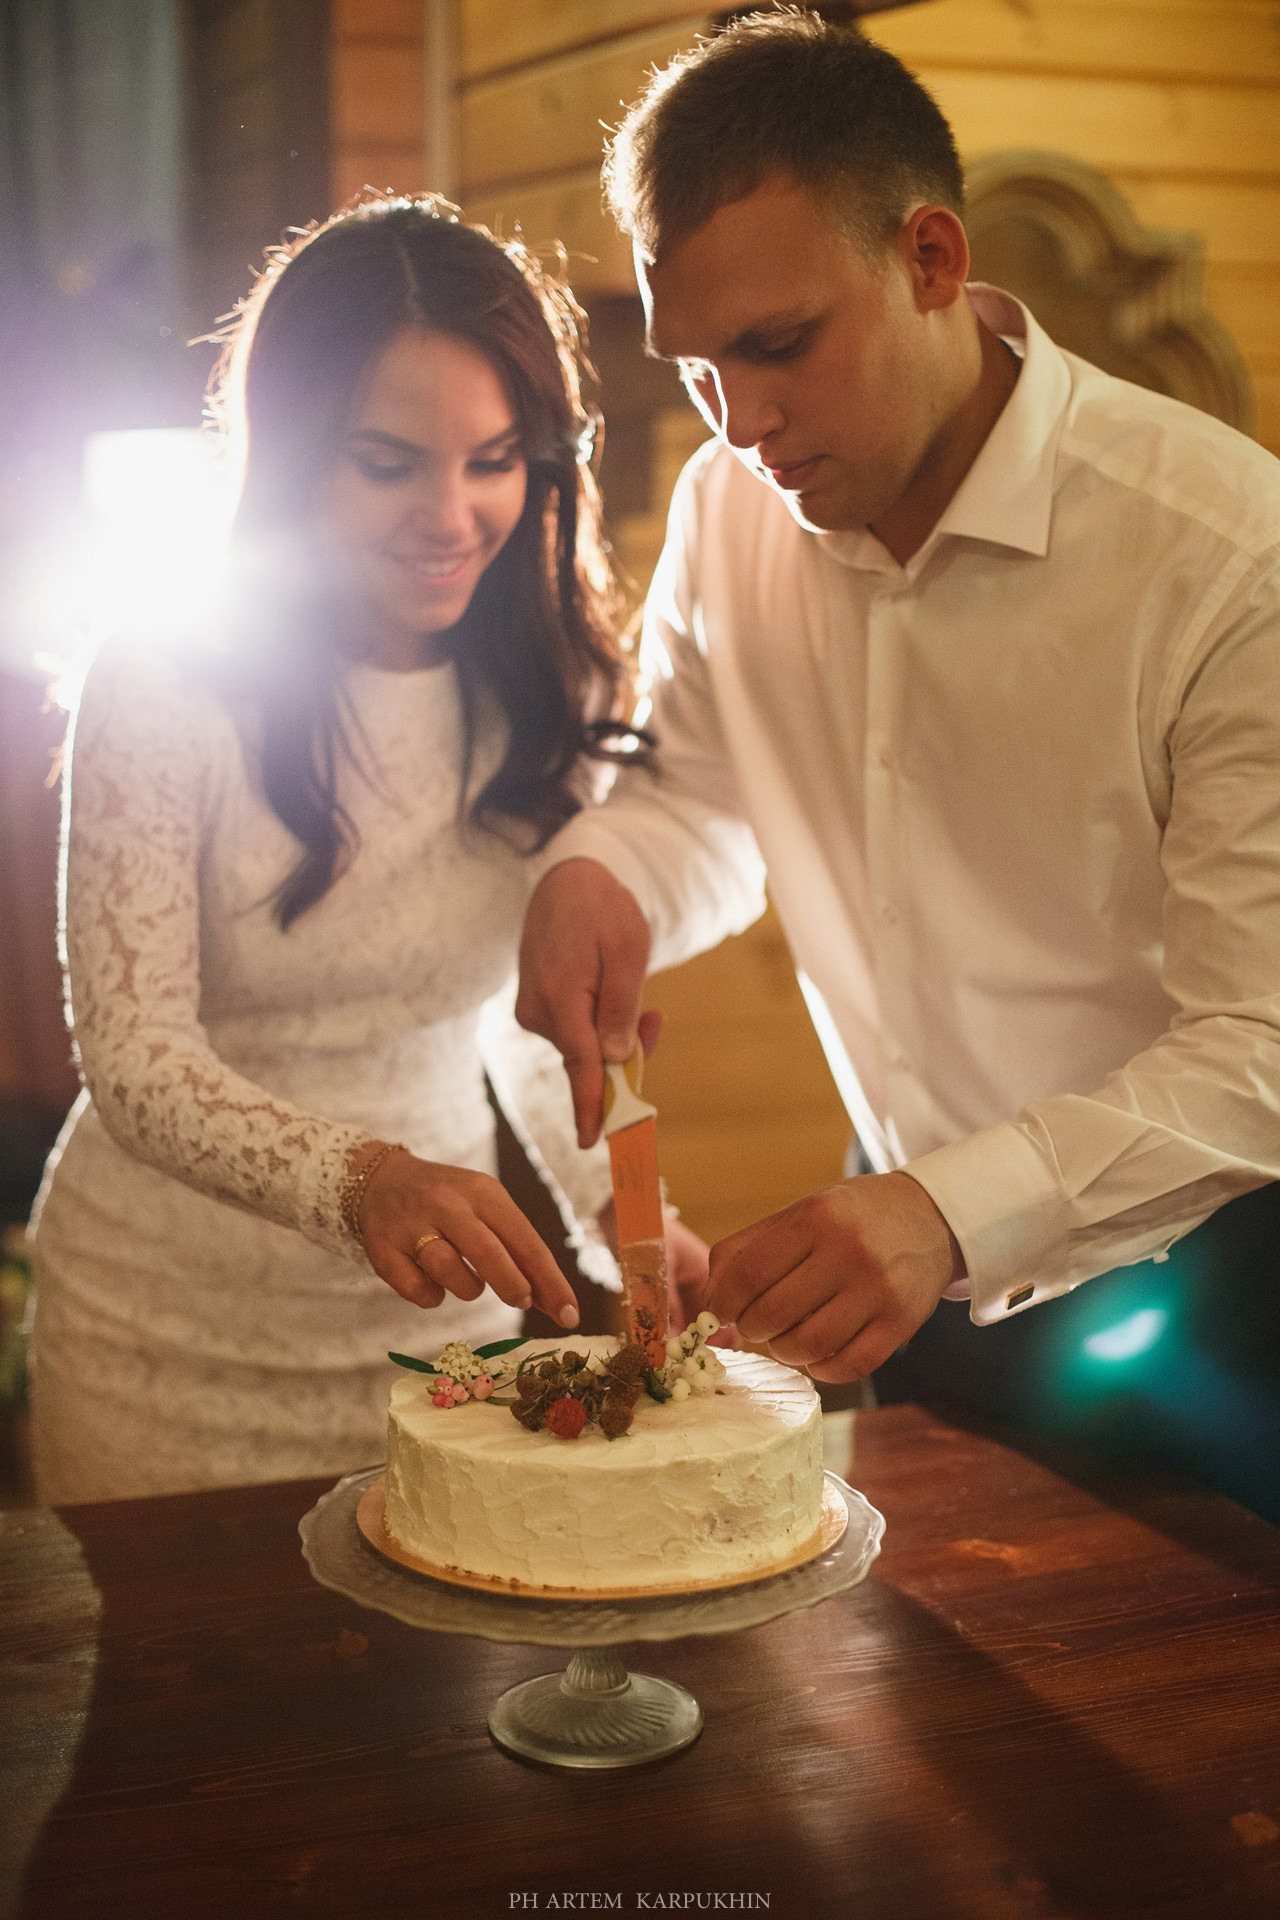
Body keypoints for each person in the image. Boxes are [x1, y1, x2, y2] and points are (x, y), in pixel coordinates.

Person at [515, 17, 1280, 1399]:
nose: (736, 425)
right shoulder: (722, 509)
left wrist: (950, 1214)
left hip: (1221, 1287)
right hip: (906, 1258)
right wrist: (604, 868)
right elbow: (698, 794)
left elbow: (1261, 1047)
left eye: (777, 345)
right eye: (695, 368)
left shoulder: (1230, 559)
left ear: (933, 258)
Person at [28, 193, 705, 1503]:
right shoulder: (159, 675)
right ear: (291, 457)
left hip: (440, 1333)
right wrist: (367, 1182)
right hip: (154, 1327)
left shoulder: (560, 682)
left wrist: (632, 1230)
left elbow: (535, 1023)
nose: (451, 517)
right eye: (388, 464)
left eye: (494, 458)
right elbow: (133, 1057)